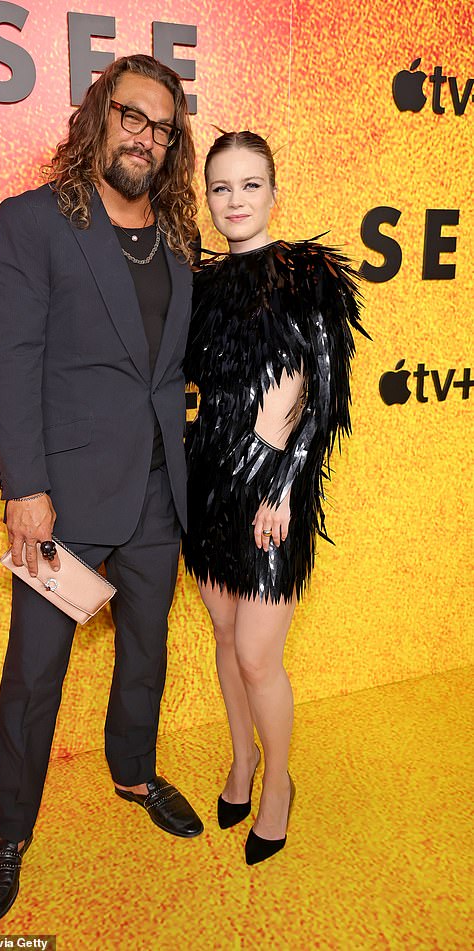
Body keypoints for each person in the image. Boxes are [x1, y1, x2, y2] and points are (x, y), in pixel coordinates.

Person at [0, 54, 203, 925]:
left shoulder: (178, 238)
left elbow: (182, 363)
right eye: (133, 118)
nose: (147, 138)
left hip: (157, 491)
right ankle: (11, 831)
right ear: (99, 118)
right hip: (61, 498)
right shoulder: (34, 223)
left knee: (146, 648)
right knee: (35, 670)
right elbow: (9, 359)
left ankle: (134, 772)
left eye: (164, 128)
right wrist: (25, 488)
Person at [182, 131, 368, 866]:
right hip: (208, 486)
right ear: (208, 195)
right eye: (222, 187)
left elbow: (325, 395)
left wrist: (284, 485)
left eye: (250, 185)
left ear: (273, 189)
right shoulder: (196, 285)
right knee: (225, 640)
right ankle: (241, 760)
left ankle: (279, 784)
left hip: (272, 491)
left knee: (259, 654)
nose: (235, 201)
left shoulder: (308, 275)